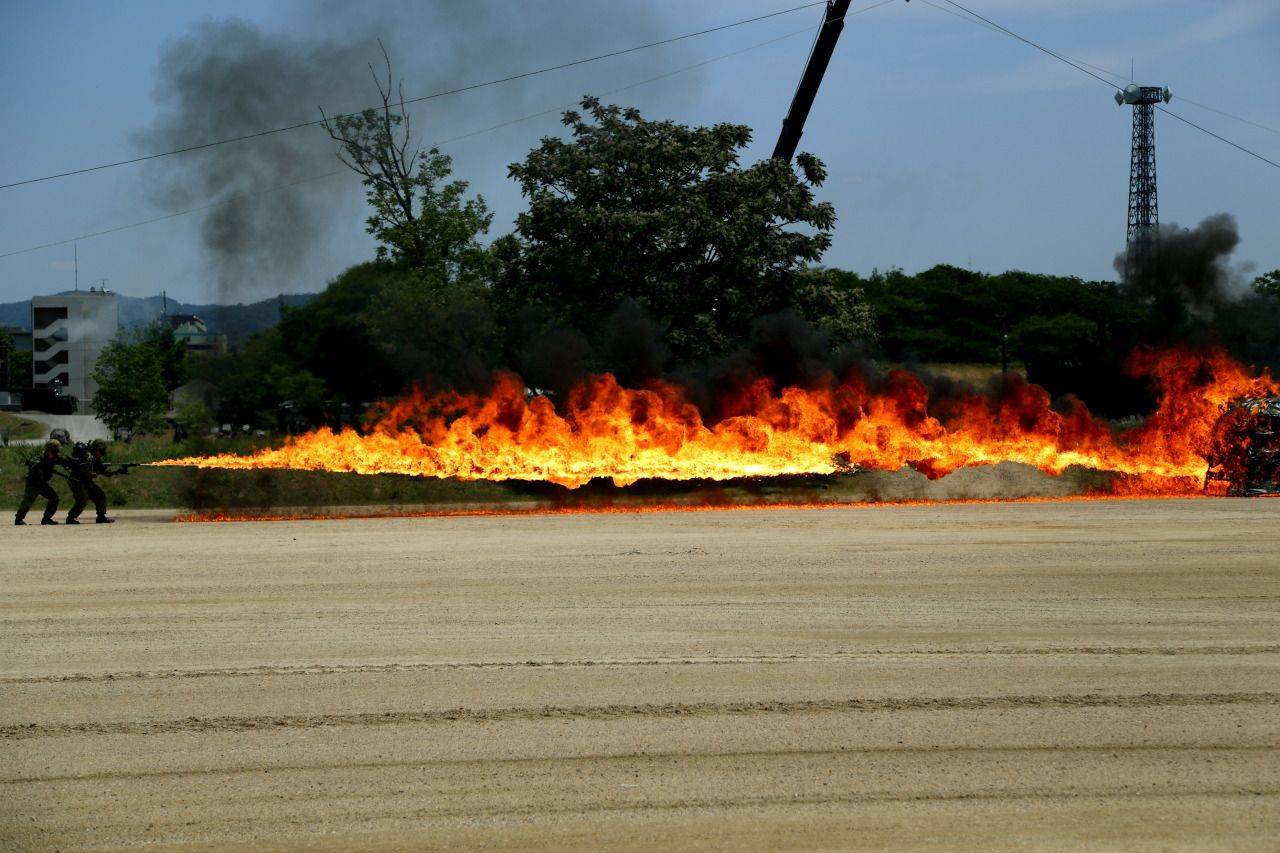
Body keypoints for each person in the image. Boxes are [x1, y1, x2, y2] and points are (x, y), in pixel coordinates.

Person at [65, 439, 125, 524]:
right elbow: (84, 472)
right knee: (83, 499)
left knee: (100, 495)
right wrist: (92, 474)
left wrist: (118, 470)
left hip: (85, 481)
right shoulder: (87, 457)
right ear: (96, 449)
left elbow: (105, 472)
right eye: (101, 451)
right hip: (77, 481)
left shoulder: (95, 459)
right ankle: (70, 518)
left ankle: (101, 517)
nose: (102, 453)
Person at [14, 439, 67, 526]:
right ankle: (18, 519)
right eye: (55, 450)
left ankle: (46, 519)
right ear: (50, 450)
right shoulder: (41, 458)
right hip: (33, 483)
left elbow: (64, 460)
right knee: (28, 500)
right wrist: (40, 465)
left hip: (42, 483)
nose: (57, 452)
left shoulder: (55, 458)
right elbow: (33, 464)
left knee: (54, 498)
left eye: (57, 450)